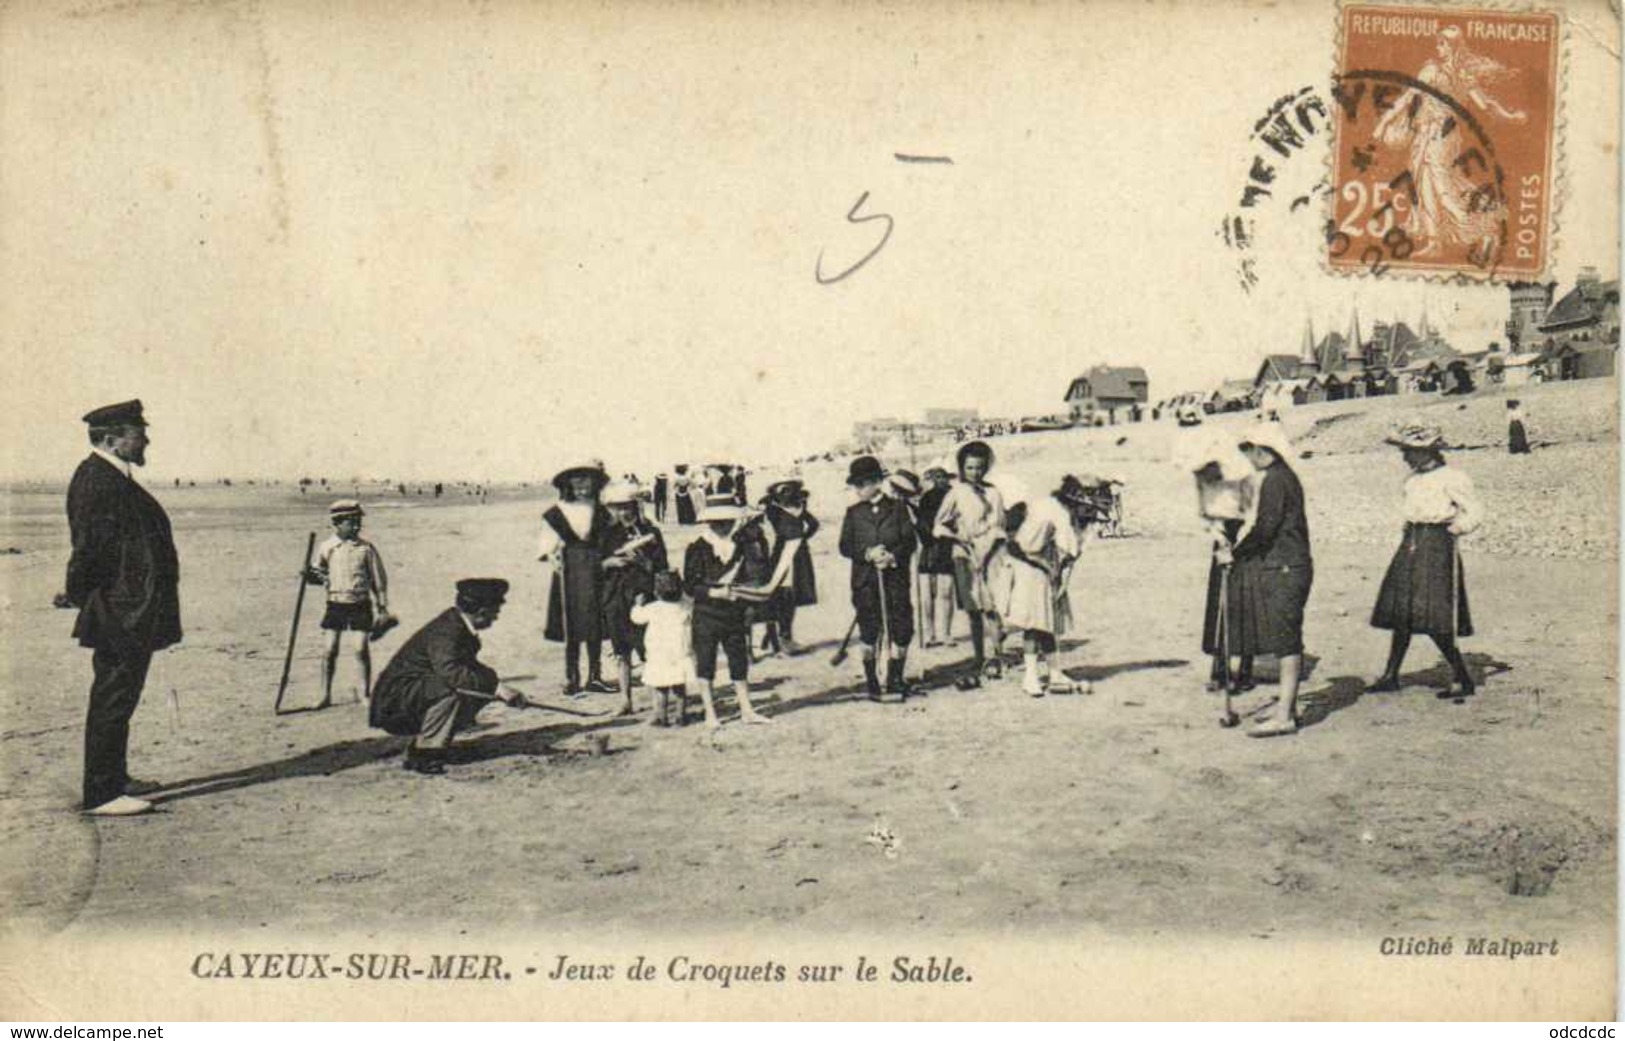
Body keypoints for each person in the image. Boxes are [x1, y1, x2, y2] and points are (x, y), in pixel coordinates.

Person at [57, 400, 180, 816]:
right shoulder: (97, 480)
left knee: (121, 696)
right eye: (137, 432)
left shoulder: (112, 477)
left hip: (130, 609)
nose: (145, 438)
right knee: (113, 696)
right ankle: (103, 793)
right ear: (111, 438)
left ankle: (115, 778)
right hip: (120, 611)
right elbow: (88, 549)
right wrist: (81, 595)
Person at [1367, 423, 1483, 699]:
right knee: (1402, 611)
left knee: (1434, 614)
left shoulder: (1452, 477)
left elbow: (1475, 510)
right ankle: (1391, 675)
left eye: (1408, 451)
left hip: (1437, 543)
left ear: (1426, 451)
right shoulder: (1411, 480)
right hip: (1411, 541)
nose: (1404, 457)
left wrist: (1457, 528)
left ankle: (1462, 676)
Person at [369, 579, 526, 775]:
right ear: (481, 612)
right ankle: (425, 753)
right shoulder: (447, 631)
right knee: (451, 689)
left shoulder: (457, 625)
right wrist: (497, 688)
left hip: (411, 694)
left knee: (472, 685)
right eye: (495, 612)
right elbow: (451, 672)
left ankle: (431, 742)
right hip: (393, 704)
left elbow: (468, 666)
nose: (496, 618)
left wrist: (499, 688)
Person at [1216, 424, 1313, 737]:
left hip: (1286, 566)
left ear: (1265, 451)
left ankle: (1285, 715)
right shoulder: (1284, 477)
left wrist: (1236, 553)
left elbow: (1266, 528)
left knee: (1286, 639)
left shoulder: (1275, 480)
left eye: (1252, 451)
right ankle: (1288, 704)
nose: (1250, 458)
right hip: (1287, 564)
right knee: (1285, 636)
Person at [1000, 475, 1101, 696]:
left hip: (1045, 568)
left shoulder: (1078, 520)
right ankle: (1030, 676)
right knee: (1034, 623)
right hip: (1029, 568)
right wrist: (1051, 571)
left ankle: (1055, 672)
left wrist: (1062, 580)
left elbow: (1071, 556)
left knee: (1048, 622)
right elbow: (1025, 547)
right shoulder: (1057, 513)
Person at [683, 498, 772, 727]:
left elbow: (752, 575)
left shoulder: (741, 546)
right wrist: (715, 594)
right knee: (706, 662)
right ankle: (710, 714)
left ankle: (746, 710)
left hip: (734, 612)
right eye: (717, 522)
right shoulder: (697, 547)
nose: (722, 526)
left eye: (727, 522)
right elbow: (690, 586)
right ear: (709, 521)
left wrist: (744, 591)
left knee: (738, 660)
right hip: (706, 614)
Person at [838, 456, 918, 699]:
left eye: (861, 484)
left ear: (876, 482)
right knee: (870, 630)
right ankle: (873, 681)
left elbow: (909, 542)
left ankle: (894, 678)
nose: (858, 490)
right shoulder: (853, 512)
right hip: (865, 582)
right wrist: (867, 554)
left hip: (895, 580)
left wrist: (891, 556)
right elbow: (844, 546)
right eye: (855, 485)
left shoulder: (897, 508)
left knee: (901, 628)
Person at [932, 440, 1008, 689]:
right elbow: (939, 525)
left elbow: (1000, 524)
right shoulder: (956, 493)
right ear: (962, 468)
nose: (975, 472)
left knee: (993, 606)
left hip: (993, 553)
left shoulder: (994, 492)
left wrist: (991, 545)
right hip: (965, 554)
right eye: (970, 467)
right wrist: (958, 538)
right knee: (974, 607)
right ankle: (979, 656)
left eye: (979, 467)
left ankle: (997, 654)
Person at [306, 499, 391, 709]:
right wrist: (309, 575)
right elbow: (319, 574)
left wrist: (382, 608)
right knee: (329, 650)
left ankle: (364, 693)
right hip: (335, 604)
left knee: (360, 649)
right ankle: (324, 695)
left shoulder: (366, 549)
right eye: (351, 522)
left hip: (360, 604)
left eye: (358, 522)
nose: (356, 526)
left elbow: (379, 581)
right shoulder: (327, 547)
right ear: (337, 523)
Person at [538, 463, 613, 696]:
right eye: (577, 486)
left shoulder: (601, 511)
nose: (582, 490)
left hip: (595, 569)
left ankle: (595, 676)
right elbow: (548, 545)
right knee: (570, 625)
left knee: (594, 624)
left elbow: (610, 538)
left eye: (587, 486)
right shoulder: (556, 512)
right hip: (569, 571)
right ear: (568, 486)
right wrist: (553, 558)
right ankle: (572, 677)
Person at [599, 479, 668, 715]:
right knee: (621, 652)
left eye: (627, 506)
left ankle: (657, 700)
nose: (623, 512)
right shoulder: (605, 535)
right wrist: (610, 562)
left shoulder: (651, 531)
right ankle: (625, 701)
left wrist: (644, 563)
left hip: (644, 598)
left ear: (636, 506)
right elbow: (591, 567)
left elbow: (662, 569)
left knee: (649, 650)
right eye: (618, 507)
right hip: (615, 598)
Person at [1193, 446, 1258, 693]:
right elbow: (1204, 514)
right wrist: (1218, 536)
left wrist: (1239, 541)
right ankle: (1219, 668)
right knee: (1218, 604)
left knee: (1245, 603)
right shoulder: (1204, 481)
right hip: (1221, 542)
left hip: (1246, 542)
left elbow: (1252, 512)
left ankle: (1245, 670)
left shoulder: (1244, 477)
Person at [762, 479, 819, 656]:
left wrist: (801, 539)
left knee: (790, 596)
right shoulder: (772, 511)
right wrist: (801, 538)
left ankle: (783, 636)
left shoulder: (793, 510)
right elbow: (813, 525)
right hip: (782, 557)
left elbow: (814, 524)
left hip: (793, 556)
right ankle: (776, 637)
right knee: (776, 596)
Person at [631, 571, 693, 727]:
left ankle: (661, 716)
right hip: (679, 653)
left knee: (661, 688)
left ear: (656, 592)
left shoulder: (653, 608)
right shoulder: (685, 606)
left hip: (659, 655)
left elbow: (636, 618)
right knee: (679, 686)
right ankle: (681, 716)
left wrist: (637, 604)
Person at [914, 465, 957, 646]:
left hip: (948, 546)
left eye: (943, 476)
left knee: (946, 591)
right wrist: (926, 535)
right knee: (927, 594)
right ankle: (929, 633)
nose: (941, 480)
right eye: (937, 477)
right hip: (930, 547)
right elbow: (922, 522)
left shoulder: (956, 496)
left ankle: (946, 633)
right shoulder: (926, 498)